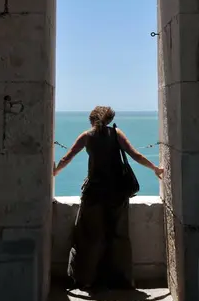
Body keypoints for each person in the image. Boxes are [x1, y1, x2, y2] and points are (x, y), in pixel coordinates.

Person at [53, 105, 164, 291]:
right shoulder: (116, 134)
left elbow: (67, 158)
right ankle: (123, 280)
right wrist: (155, 169)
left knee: (88, 236)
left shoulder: (87, 136)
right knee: (119, 236)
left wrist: (54, 172)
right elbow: (135, 155)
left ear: (91, 119)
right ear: (110, 119)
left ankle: (84, 279)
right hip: (117, 193)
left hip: (94, 193)